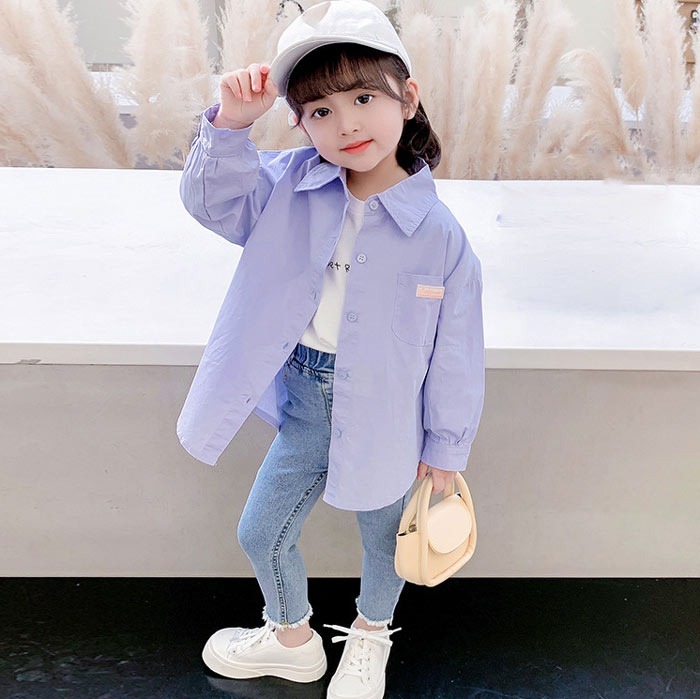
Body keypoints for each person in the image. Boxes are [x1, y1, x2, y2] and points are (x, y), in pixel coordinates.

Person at [178, 1, 485, 697]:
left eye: (364, 98)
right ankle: (291, 638)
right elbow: (212, 203)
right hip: (305, 399)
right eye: (320, 110)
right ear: (299, 122)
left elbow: (456, 353)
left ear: (408, 98)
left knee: (386, 537)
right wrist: (230, 125)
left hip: (390, 412)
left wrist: (447, 446)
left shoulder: (440, 235)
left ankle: (370, 637)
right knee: (262, 530)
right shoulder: (286, 185)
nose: (346, 123)